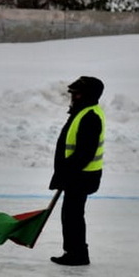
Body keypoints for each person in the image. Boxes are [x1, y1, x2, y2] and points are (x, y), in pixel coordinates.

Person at [49, 76, 105, 266]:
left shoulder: (90, 116)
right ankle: (75, 252)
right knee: (71, 214)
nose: (72, 97)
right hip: (78, 175)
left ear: (85, 95)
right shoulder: (82, 112)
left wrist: (67, 172)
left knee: (72, 215)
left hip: (81, 176)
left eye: (76, 94)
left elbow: (85, 152)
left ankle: (78, 254)